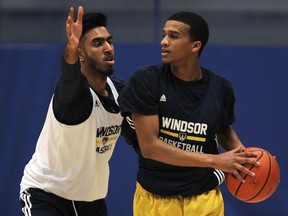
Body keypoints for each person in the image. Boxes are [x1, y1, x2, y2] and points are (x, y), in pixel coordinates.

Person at [119, 11, 260, 216]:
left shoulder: (220, 89)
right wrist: (214, 160)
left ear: (195, 46)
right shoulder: (147, 80)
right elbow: (150, 147)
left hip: (204, 199)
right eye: (164, 34)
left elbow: (223, 130)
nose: (163, 42)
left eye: (173, 36)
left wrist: (248, 159)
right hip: (155, 201)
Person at [19, 6, 125, 216]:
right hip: (47, 194)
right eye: (97, 43)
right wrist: (71, 47)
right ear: (81, 55)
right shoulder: (73, 95)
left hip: (90, 199)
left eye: (109, 41)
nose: (108, 47)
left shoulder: (119, 92)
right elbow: (69, 74)